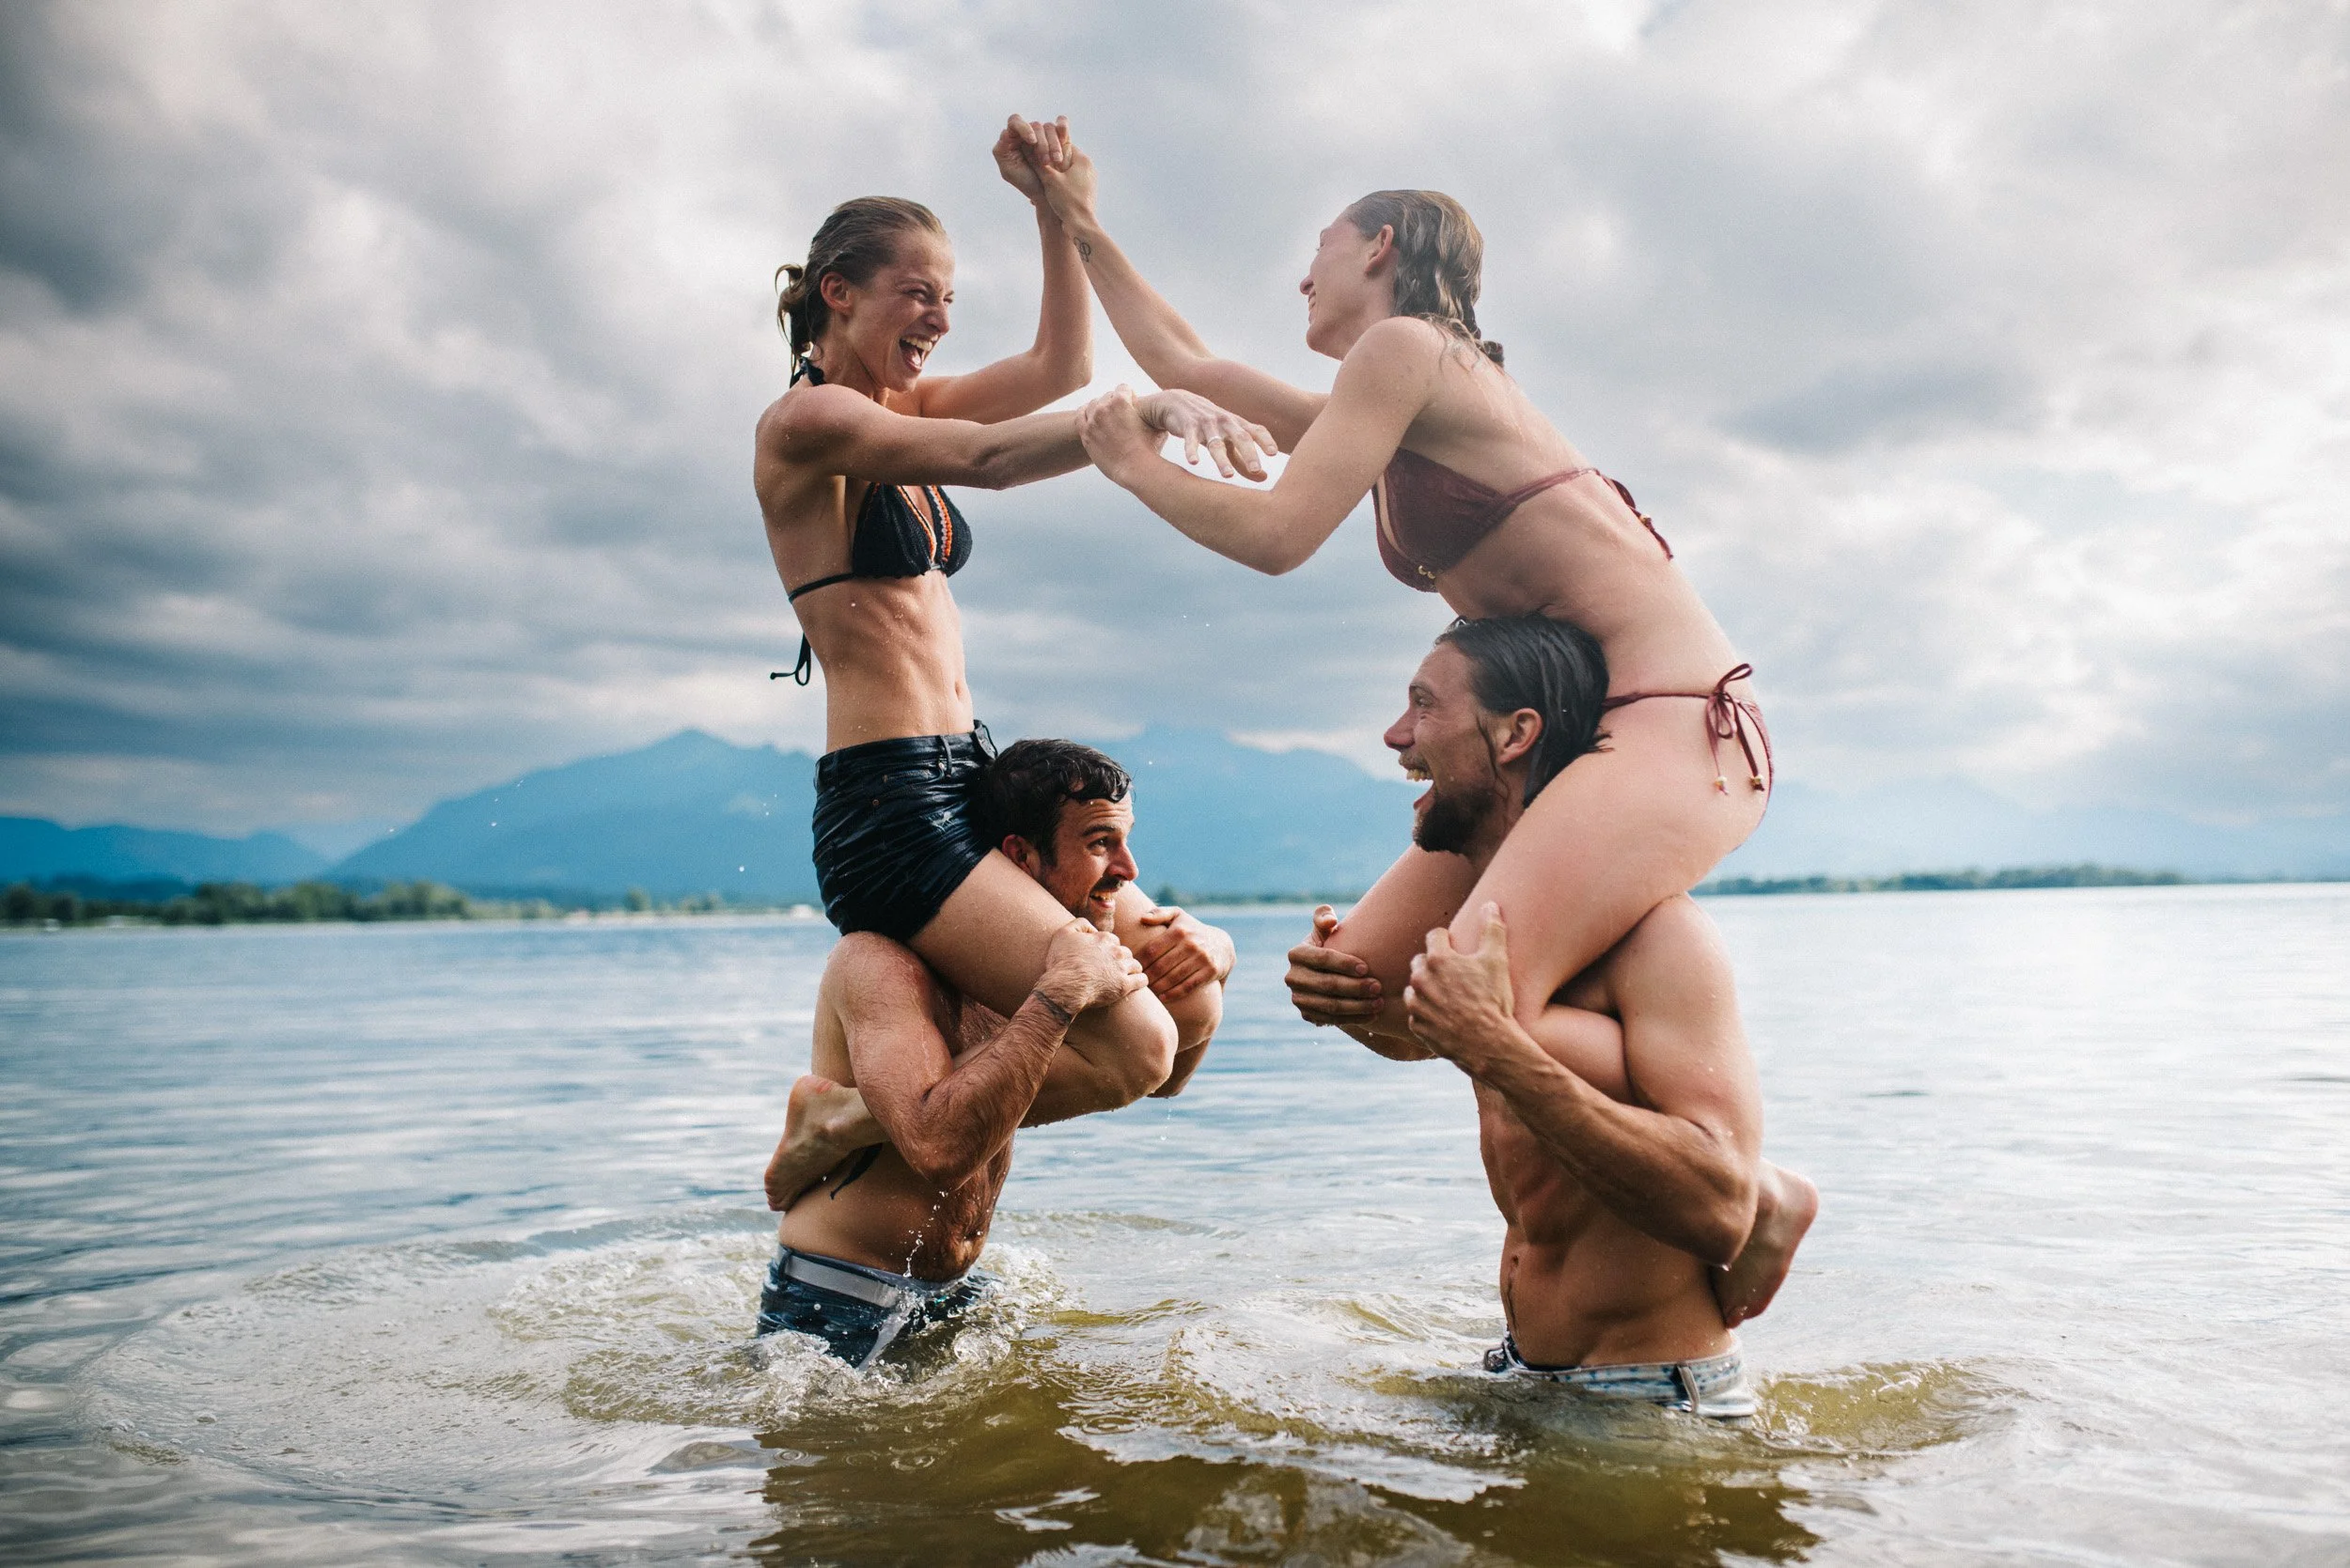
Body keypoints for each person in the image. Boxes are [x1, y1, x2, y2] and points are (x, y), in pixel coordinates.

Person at [1021, 139, 1769, 1074]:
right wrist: (1072, 215)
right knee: (1365, 989)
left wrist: (1130, 464)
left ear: (1379, 246)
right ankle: (1601, 984)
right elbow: (1182, 360)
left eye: (1320, 247)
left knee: (1470, 1003)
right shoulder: (1397, 388)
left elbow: (1277, 538)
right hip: (1567, 742)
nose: (1302, 276)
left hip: (1673, 727)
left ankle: (1720, 1151)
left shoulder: (1407, 349)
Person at [754, 116, 1276, 1117]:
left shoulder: (905, 408)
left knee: (1190, 999)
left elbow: (1058, 367)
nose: (938, 319)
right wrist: (1154, 412)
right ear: (838, 292)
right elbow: (990, 461)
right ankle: (877, 1117)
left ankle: (907, 1102)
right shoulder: (809, 423)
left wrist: (1055, 210)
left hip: (970, 781)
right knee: (1133, 1050)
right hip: (890, 811)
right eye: (917, 293)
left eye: (948, 298)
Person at [1287, 618, 1817, 1412]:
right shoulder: (1492, 925)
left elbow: (1718, 1211)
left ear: (1514, 734)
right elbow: (1445, 1044)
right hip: (1521, 1371)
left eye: (1424, 706)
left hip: (1648, 1398)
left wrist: (1499, 1047)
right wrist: (1349, 1007)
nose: (1397, 736)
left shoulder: (1661, 938)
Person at [757, 740, 1234, 1367]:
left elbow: (1166, 1080)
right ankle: (836, 1119)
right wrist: (1059, 997)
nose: (1130, 869)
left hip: (954, 1288)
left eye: (1125, 840)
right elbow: (940, 1152)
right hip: (839, 1295)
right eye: (1099, 844)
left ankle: (844, 1119)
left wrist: (1218, 954)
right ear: (1020, 856)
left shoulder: (1049, 952)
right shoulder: (877, 964)